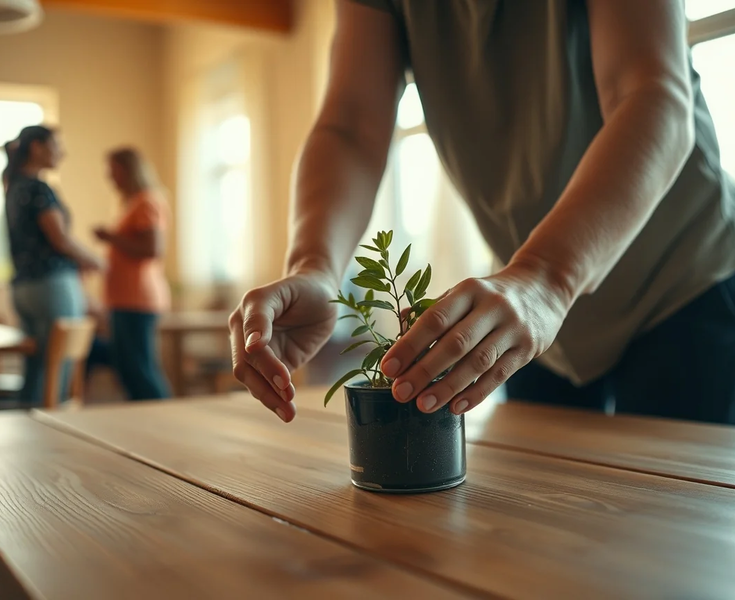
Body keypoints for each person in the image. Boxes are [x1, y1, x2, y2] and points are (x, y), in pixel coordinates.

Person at [230, 0, 735, 426]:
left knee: (676, 533)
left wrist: (546, 277)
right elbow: (351, 125)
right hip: (531, 313)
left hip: (680, 280)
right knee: (542, 532)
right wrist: (314, 265)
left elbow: (650, 93)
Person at [6, 125, 103, 405]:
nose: (62, 153)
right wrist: (93, 259)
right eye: (57, 145)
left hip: (24, 288)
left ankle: (30, 435)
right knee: (58, 371)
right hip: (50, 285)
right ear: (37, 147)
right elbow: (59, 238)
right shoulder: (37, 188)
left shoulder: (14, 187)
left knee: (38, 368)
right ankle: (51, 436)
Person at [93, 147, 171, 400]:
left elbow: (152, 248)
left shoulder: (146, 201)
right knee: (128, 368)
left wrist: (111, 237)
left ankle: (163, 418)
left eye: (113, 170)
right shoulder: (131, 204)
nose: (109, 177)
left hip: (137, 298)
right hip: (124, 299)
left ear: (128, 170)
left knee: (139, 369)